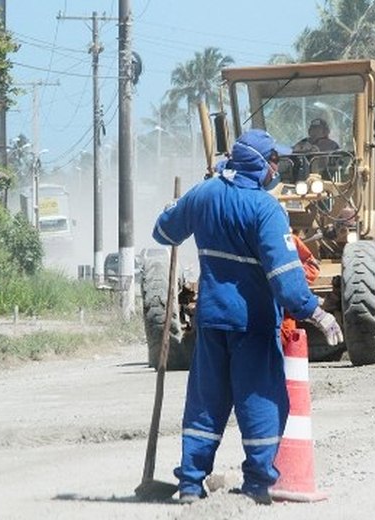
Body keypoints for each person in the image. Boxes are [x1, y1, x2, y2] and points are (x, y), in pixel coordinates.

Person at [152, 129, 343, 505]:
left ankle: (191, 482)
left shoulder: (204, 193)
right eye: (273, 159)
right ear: (259, 162)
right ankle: (257, 482)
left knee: (206, 401)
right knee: (263, 402)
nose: (277, 166)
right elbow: (286, 279)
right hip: (253, 323)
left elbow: (162, 232)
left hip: (211, 320)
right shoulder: (265, 208)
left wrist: (180, 207)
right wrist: (315, 312)